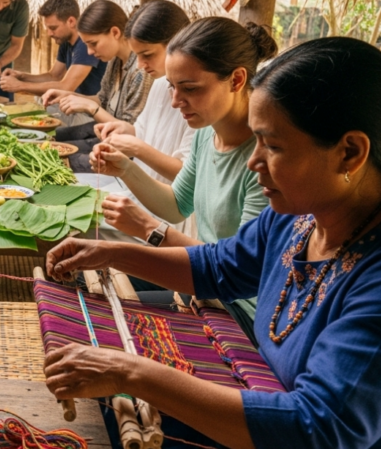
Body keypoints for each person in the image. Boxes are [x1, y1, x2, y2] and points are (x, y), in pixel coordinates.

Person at [44, 36, 381, 449]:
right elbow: (218, 268)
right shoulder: (302, 218)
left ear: (350, 152)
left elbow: (319, 428)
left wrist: (133, 373)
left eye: (272, 146)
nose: (254, 163)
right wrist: (110, 253)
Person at [90, 17, 278, 340]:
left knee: (110, 323)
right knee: (89, 287)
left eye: (189, 88)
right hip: (202, 283)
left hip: (238, 309)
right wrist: (125, 168)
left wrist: (148, 229)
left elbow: (237, 271)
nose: (176, 101)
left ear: (236, 80)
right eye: (173, 87)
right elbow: (178, 204)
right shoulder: (207, 134)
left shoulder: (265, 161)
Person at [42, 0, 154, 172]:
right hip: (105, 137)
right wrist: (67, 95)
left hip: (125, 152)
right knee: (51, 142)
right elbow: (101, 100)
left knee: (54, 158)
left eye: (93, 43)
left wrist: (90, 107)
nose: (89, 52)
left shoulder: (141, 72)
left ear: (115, 32)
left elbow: (128, 132)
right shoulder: (114, 62)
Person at [92, 0, 194, 186]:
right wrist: (125, 131)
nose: (139, 65)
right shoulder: (158, 84)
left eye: (147, 55)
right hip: (137, 189)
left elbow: (187, 175)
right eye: (136, 55)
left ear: (177, 43)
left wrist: (137, 148)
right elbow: (143, 131)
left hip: (167, 207)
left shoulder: (199, 99)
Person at [0, 0, 106, 97]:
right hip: (75, 104)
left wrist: (20, 86)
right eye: (48, 29)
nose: (49, 33)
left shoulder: (85, 45)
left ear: (71, 21)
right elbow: (54, 76)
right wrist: (21, 76)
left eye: (53, 28)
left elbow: (66, 86)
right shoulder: (66, 43)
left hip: (91, 110)